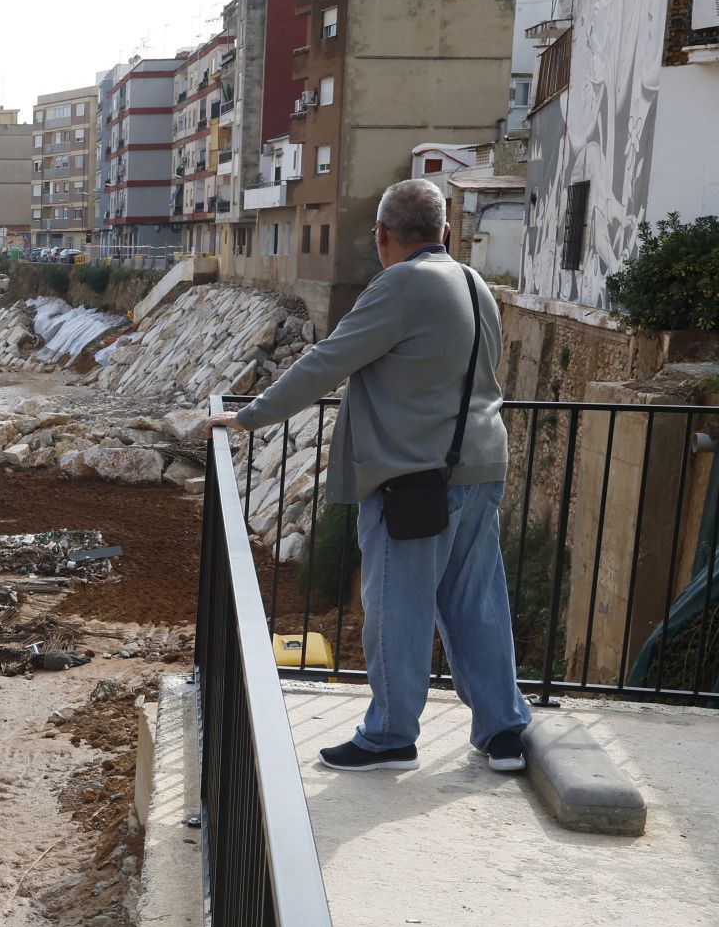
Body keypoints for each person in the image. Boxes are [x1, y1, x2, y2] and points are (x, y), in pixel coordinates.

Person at [209, 178, 531, 773]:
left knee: (396, 607)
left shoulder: (402, 284)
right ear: (446, 233)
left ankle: (389, 737)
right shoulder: (474, 282)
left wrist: (250, 416)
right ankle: (504, 732)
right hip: (482, 464)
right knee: (476, 601)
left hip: (415, 477)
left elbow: (328, 360)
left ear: (382, 235)